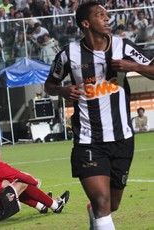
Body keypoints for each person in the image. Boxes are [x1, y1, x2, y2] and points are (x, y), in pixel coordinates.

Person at [44, 2, 154, 230]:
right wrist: (62, 90)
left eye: (107, 14)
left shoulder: (122, 46)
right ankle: (98, 212)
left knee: (111, 205)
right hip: (88, 140)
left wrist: (131, 65)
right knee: (101, 202)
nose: (107, 19)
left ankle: (95, 215)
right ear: (86, 23)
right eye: (100, 15)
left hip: (122, 139)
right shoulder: (68, 54)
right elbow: (50, 85)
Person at [0, 138, 70, 223]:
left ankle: (41, 206)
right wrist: (36, 183)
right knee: (22, 182)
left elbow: (8, 184)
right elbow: (23, 177)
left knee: (6, 184)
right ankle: (56, 206)